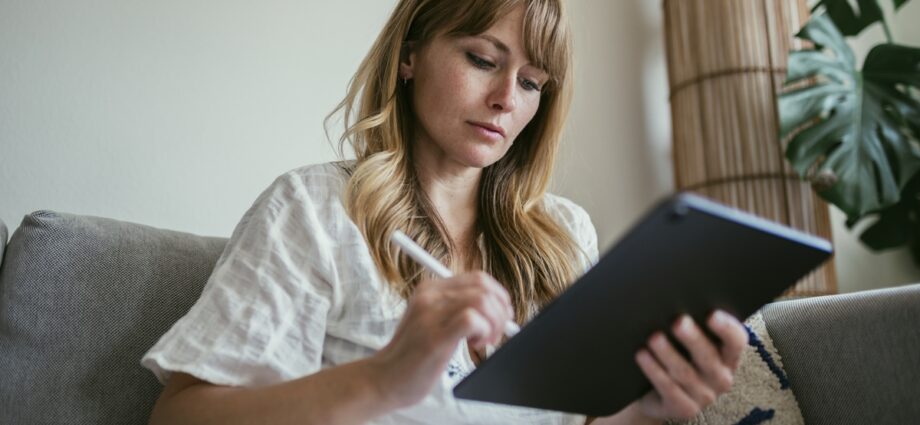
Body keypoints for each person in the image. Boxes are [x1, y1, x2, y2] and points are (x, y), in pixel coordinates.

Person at [142, 0, 749, 424]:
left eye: (533, 83)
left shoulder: (564, 236)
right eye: (483, 60)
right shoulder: (316, 210)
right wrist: (383, 378)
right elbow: (180, 417)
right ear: (410, 56)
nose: (506, 99)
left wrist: (648, 408)